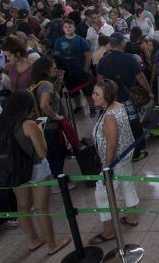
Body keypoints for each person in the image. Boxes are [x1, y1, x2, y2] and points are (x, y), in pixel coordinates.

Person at [0, 91, 70, 255]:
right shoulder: (28, 124)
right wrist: (40, 131)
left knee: (22, 206)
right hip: (36, 169)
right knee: (41, 208)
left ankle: (33, 240)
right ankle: (52, 245)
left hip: (14, 170)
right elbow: (41, 152)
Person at [88, 79, 141, 244]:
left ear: (107, 96)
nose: (93, 96)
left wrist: (106, 167)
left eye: (97, 94)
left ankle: (109, 231)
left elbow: (111, 144)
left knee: (102, 194)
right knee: (127, 184)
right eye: (93, 92)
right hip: (125, 154)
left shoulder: (109, 116)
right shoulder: (118, 106)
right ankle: (132, 217)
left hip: (114, 160)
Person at [97, 32, 153, 161]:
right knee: (134, 124)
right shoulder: (129, 58)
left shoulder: (103, 61)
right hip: (128, 98)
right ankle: (137, 151)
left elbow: (99, 81)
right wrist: (149, 91)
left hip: (111, 100)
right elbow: (140, 77)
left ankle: (122, 151)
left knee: (117, 126)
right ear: (122, 43)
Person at [54, 19, 96, 118]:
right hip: (68, 72)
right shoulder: (58, 41)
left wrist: (85, 69)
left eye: (70, 26)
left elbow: (88, 55)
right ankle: (78, 107)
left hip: (81, 71)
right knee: (73, 92)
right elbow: (57, 56)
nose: (68, 29)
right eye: (65, 27)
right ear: (63, 29)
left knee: (88, 91)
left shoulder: (81, 40)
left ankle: (92, 108)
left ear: (74, 27)